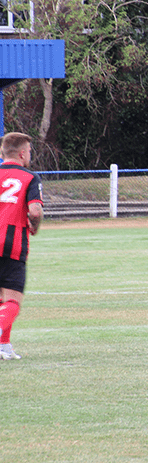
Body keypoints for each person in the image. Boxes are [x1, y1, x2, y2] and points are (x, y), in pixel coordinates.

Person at [0, 133, 44, 360]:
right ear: (22, 153)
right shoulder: (29, 177)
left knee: (1, 299)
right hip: (12, 244)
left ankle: (4, 345)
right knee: (13, 300)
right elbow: (35, 210)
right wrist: (35, 226)